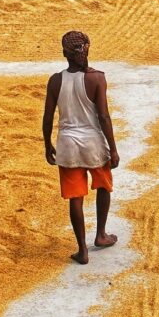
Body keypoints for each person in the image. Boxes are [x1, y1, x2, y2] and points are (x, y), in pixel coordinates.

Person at [43, 30, 119, 265]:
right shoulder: (97, 78)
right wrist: (113, 148)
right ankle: (101, 234)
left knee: (76, 197)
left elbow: (47, 117)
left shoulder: (56, 80)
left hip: (67, 144)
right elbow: (104, 117)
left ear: (64, 53)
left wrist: (48, 144)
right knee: (103, 186)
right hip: (93, 143)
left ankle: (82, 251)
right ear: (87, 49)